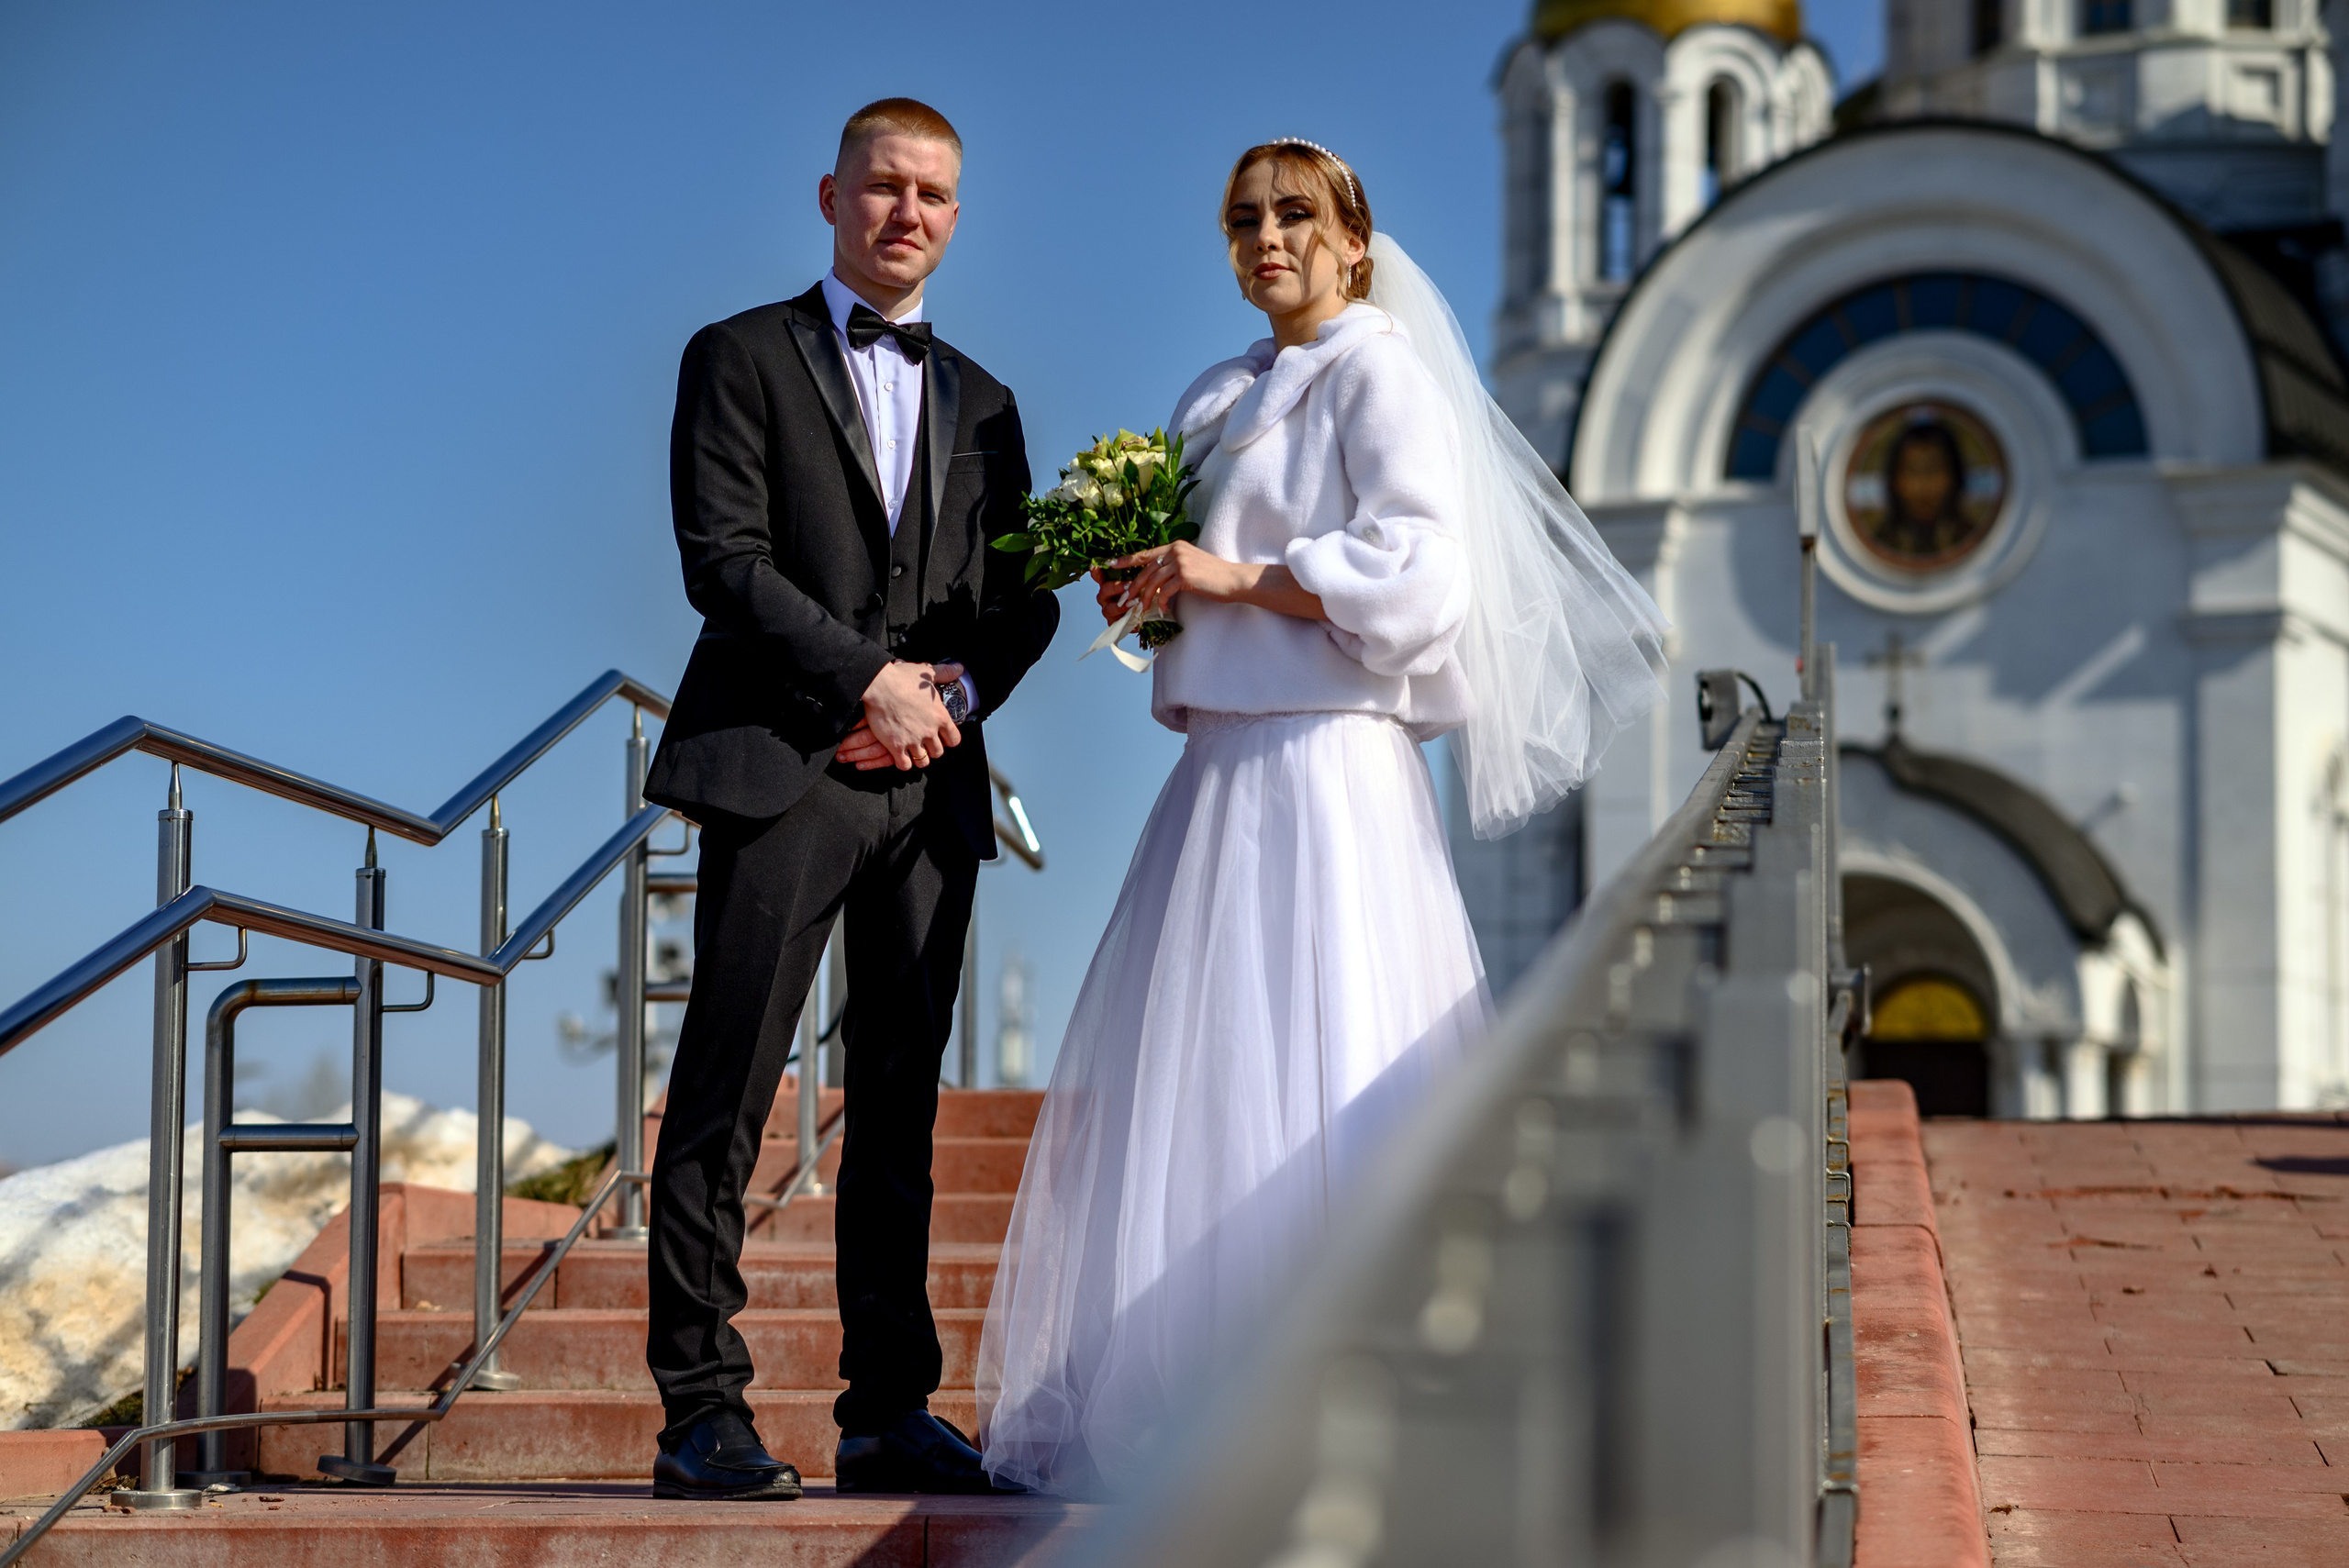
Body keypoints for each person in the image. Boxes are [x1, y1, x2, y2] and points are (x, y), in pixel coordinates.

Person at [974, 139, 1668, 1496]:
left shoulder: (1380, 369)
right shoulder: (1216, 390)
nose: (1266, 237)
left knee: (1330, 1052)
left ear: (1357, 241)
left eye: (1296, 214)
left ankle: (1351, 1382)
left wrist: (1227, 573)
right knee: (1216, 1066)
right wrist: (1156, 591)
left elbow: (1420, 575)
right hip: (1227, 771)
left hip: (1330, 766)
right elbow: (1227, 585)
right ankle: (1209, 1384)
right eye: (1243, 218)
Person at [641, 97, 1060, 1501]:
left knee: (898, 1111)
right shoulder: (739, 356)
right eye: (884, 187)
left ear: (956, 215)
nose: (908, 214)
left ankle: (888, 1408)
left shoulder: (989, 403)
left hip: (931, 796)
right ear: (830, 194)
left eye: (935, 196)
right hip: (785, 768)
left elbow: (1023, 604)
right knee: (727, 1092)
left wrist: (949, 700)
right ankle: (700, 1408)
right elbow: (726, 562)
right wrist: (868, 684)